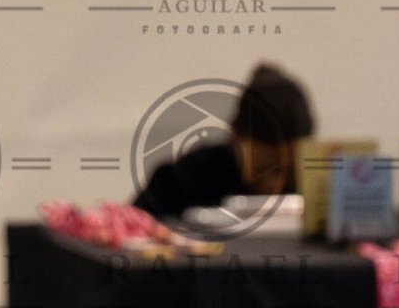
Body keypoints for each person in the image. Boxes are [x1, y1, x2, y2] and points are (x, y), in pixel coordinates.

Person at [131, 62, 314, 220]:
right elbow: (129, 229)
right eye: (262, 170)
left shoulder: (319, 188)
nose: (274, 186)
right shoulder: (184, 180)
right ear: (234, 136)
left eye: (290, 172)